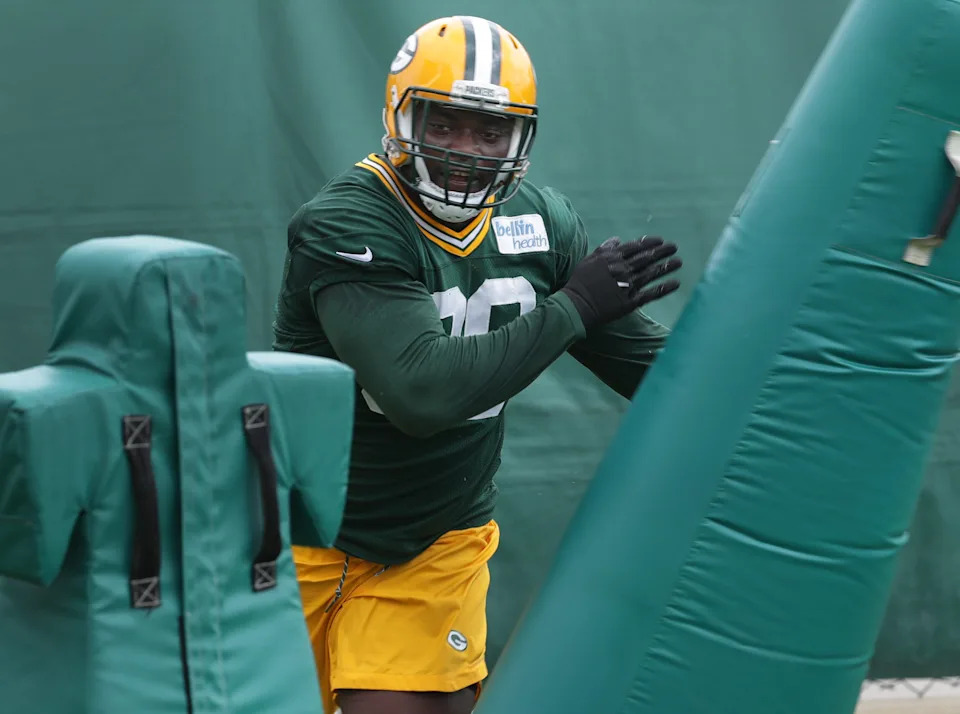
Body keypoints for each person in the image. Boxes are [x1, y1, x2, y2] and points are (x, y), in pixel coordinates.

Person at [272, 14, 683, 714]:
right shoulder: (349, 223)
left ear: (520, 139)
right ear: (404, 120)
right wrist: (574, 305)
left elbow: (659, 377)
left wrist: (789, 398)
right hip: (299, 539)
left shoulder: (541, 226)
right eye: (445, 125)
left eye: (490, 131)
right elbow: (420, 393)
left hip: (434, 543)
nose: (466, 150)